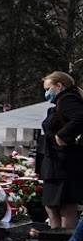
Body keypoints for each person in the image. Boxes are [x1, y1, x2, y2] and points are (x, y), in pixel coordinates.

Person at [37, 71, 83, 228]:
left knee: (65, 207)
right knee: (52, 206)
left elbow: (80, 117)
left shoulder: (68, 98)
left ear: (59, 86)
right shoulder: (59, 103)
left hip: (65, 164)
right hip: (56, 163)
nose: (46, 92)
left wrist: (62, 136)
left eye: (48, 88)